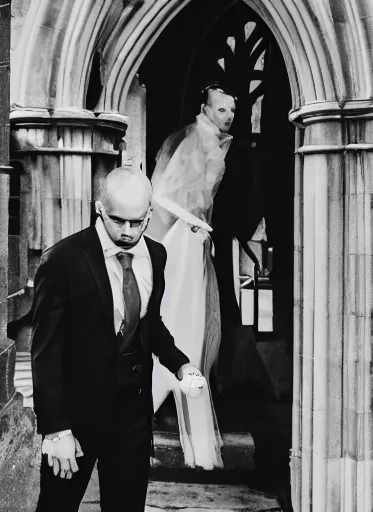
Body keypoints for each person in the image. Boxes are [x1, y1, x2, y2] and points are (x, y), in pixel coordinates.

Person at [31, 167, 204, 512]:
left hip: (132, 415)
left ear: (150, 215)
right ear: (99, 208)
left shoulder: (157, 255)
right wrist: (56, 429)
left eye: (137, 222)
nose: (128, 232)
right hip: (76, 419)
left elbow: (149, 324)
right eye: (118, 220)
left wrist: (180, 365)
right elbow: (46, 350)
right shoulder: (63, 260)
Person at [146, 83, 236, 470]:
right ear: (205, 108)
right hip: (184, 239)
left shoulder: (215, 141)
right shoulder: (192, 141)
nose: (228, 115)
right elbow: (160, 194)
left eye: (232, 110)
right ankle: (158, 394)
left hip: (198, 238)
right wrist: (192, 224)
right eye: (221, 109)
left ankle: (182, 385)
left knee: (197, 320)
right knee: (179, 313)